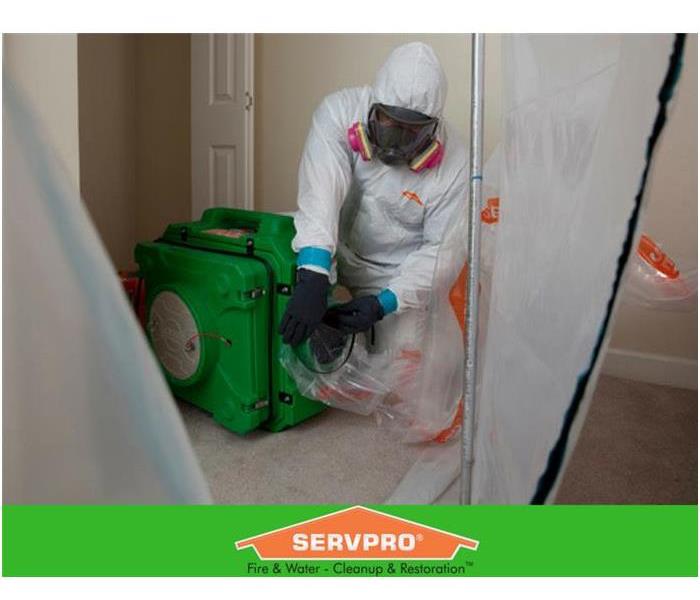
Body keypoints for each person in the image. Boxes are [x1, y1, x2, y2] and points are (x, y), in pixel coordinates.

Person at [279, 42, 468, 362]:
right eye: (389, 124)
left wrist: (385, 303)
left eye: (412, 133)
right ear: (372, 108)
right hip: (332, 246)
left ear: (432, 130)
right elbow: (320, 195)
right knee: (288, 312)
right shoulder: (338, 113)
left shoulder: (456, 161)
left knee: (398, 367)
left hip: (394, 271)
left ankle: (364, 331)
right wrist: (312, 272)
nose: (396, 144)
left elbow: (442, 251)